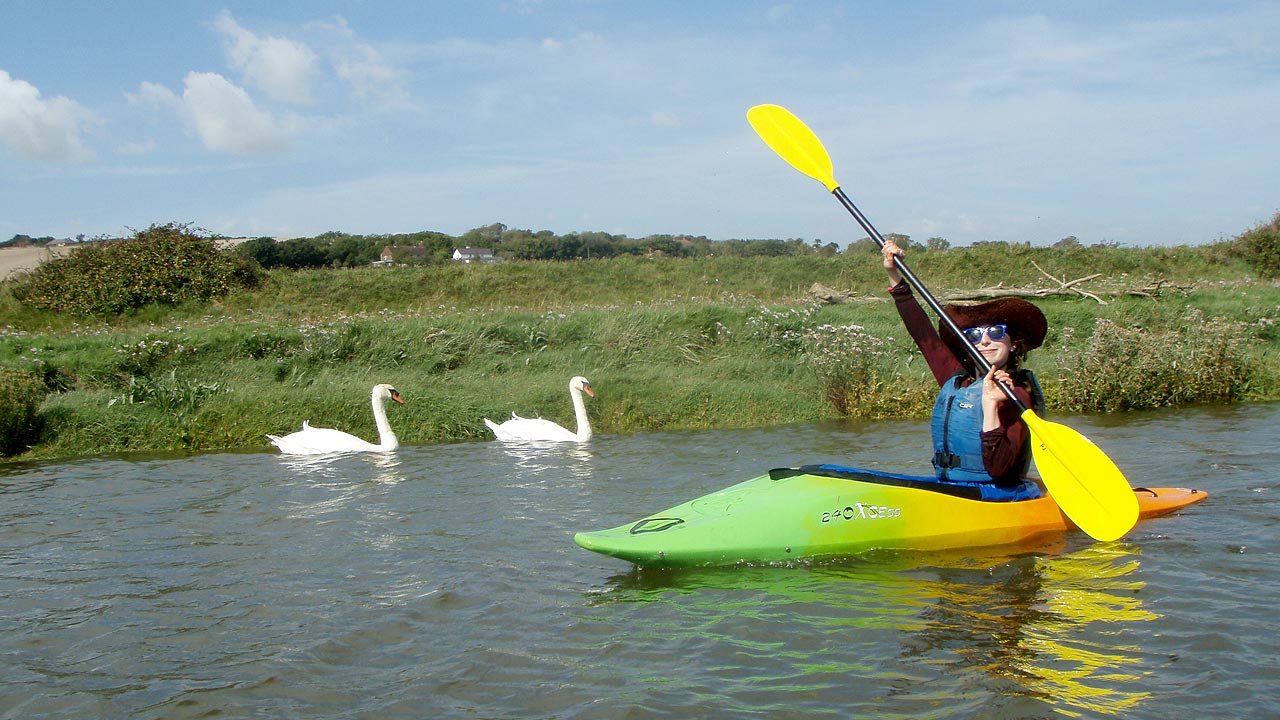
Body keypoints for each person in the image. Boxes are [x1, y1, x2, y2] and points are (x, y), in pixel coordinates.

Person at [881, 239, 1047, 500]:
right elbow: (924, 337)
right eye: (975, 335)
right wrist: (894, 275)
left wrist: (992, 406)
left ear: (1013, 343)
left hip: (999, 495)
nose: (985, 340)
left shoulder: (1017, 393)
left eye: (995, 332)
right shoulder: (958, 381)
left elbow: (1000, 468)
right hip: (953, 490)